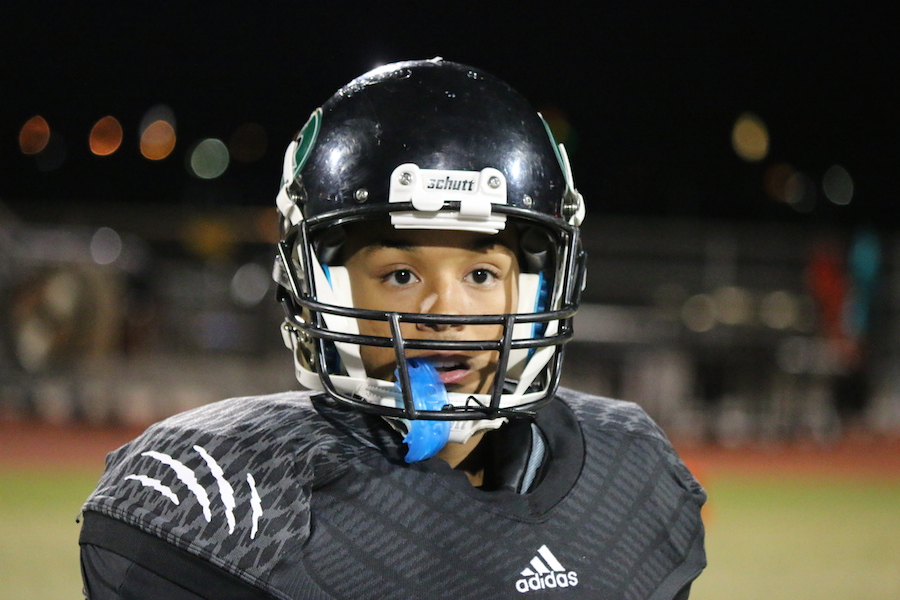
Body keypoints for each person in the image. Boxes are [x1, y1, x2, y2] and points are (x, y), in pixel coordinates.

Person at [79, 57, 706, 599]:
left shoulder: (628, 475)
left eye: (482, 274)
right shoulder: (228, 500)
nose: (447, 311)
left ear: (541, 286)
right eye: (401, 274)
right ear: (321, 288)